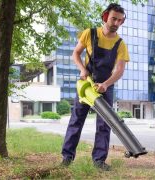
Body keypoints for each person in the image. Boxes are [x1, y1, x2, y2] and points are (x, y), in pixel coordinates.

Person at [61, 3, 129, 171]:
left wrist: (106, 84)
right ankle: (66, 158)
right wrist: (82, 70)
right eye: (113, 18)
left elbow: (119, 70)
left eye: (120, 20)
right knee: (76, 121)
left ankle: (99, 161)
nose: (116, 23)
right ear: (105, 17)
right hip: (87, 86)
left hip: (105, 87)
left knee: (104, 125)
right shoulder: (89, 34)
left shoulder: (120, 44)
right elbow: (75, 54)